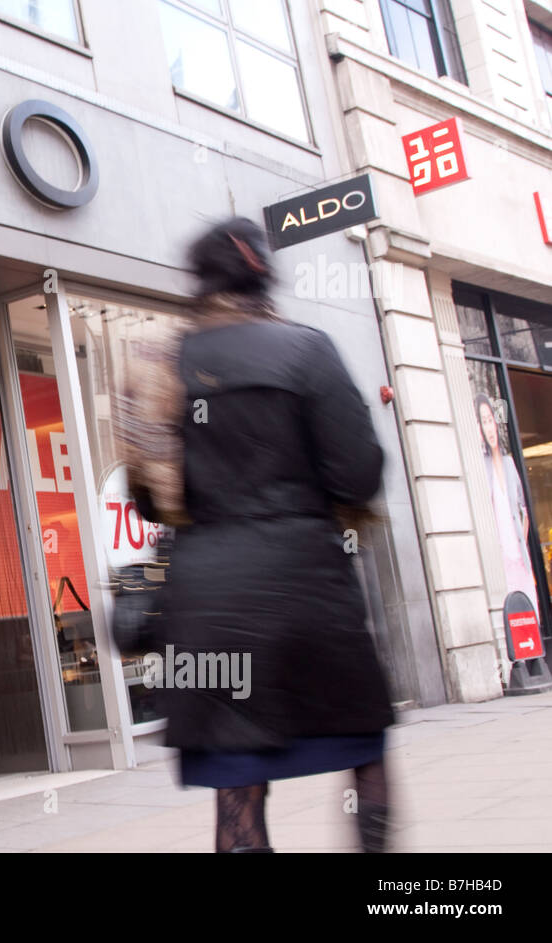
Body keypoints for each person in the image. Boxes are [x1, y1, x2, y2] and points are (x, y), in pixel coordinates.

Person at [126, 216, 395, 852]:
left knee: (236, 784)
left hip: (208, 599)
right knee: (364, 752)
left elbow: (148, 497)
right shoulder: (308, 348)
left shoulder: (161, 360)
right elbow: (358, 475)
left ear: (200, 282)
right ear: (263, 275)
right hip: (310, 590)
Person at [475, 393, 541, 624]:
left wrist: (521, 542)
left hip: (519, 556)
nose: (489, 427)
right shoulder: (481, 468)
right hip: (500, 558)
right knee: (512, 617)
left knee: (530, 612)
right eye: (483, 421)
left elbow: (523, 508)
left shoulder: (510, 464)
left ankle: (534, 657)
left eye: (491, 419)